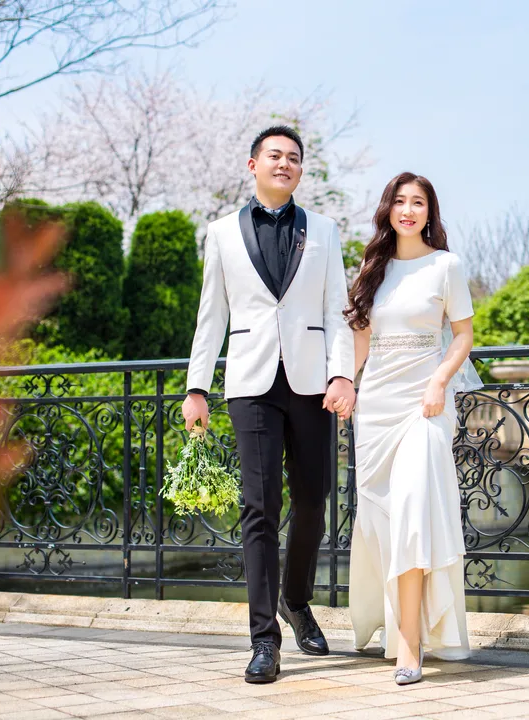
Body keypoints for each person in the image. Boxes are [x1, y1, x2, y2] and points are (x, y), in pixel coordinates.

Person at [182, 125, 355, 683]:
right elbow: (211, 314)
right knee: (259, 509)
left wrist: (342, 374)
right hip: (250, 385)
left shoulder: (324, 230)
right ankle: (264, 640)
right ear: (253, 164)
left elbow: (336, 310)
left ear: (301, 169)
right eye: (275, 155)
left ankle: (295, 599)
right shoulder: (221, 233)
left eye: (294, 158)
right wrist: (197, 387)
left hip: (312, 384)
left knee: (313, 503)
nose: (285, 163)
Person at [345, 172, 481, 686]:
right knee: (383, 520)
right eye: (399, 201)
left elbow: (463, 335)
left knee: (414, 515)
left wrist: (439, 382)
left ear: (429, 212)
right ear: (388, 209)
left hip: (425, 405)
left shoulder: (446, 265)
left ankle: (410, 644)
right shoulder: (372, 268)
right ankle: (392, 624)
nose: (408, 210)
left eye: (417, 202)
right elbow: (362, 340)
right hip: (376, 406)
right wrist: (345, 384)